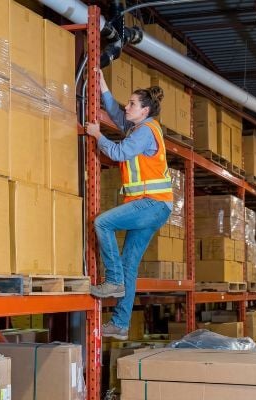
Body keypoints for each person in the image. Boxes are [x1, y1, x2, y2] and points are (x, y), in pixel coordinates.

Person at [85, 69, 173, 340]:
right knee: (130, 265)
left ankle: (113, 281)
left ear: (145, 110)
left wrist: (97, 135)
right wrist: (103, 87)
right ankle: (121, 325)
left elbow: (119, 152)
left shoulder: (144, 132)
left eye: (132, 103)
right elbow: (115, 111)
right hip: (152, 206)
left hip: (151, 204)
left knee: (103, 222)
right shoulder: (138, 127)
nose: (127, 106)